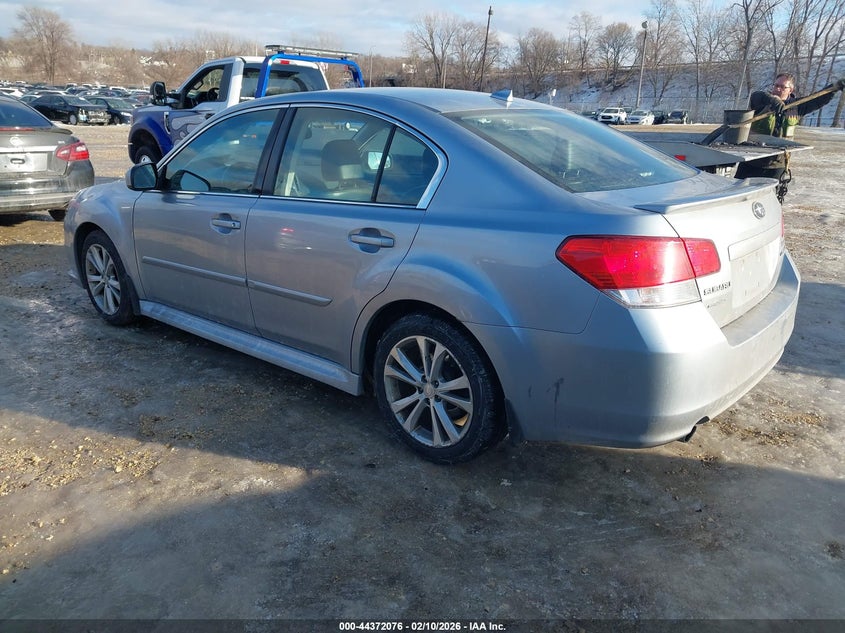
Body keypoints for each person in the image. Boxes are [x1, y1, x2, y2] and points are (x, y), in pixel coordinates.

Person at [735, 73, 845, 199]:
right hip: (751, 162)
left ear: (790, 90)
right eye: (776, 85)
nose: (777, 89)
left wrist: (834, 88)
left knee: (769, 201)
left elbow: (816, 100)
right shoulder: (761, 102)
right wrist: (772, 99)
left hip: (776, 165)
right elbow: (756, 95)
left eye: (782, 87)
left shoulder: (797, 107)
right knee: (738, 198)